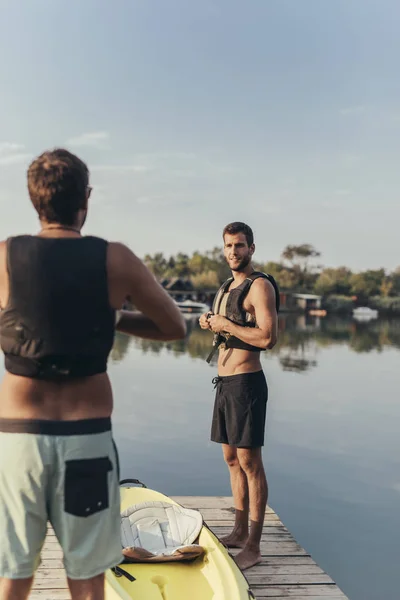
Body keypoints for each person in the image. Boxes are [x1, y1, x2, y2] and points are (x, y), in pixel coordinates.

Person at [0, 148, 186, 600]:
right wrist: (114, 318)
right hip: (86, 439)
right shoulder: (114, 259)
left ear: (33, 200)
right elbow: (175, 327)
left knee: (14, 575)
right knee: (86, 580)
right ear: (86, 196)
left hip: (18, 442)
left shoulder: (5, 256)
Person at [199, 221, 279, 571]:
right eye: (229, 246)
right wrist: (209, 321)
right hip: (225, 385)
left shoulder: (259, 286)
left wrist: (226, 325)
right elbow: (226, 325)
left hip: (247, 384)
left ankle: (255, 546)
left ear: (252, 248)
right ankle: (237, 530)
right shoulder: (227, 286)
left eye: (240, 245)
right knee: (231, 459)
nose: (234, 251)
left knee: (250, 463)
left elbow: (267, 338)